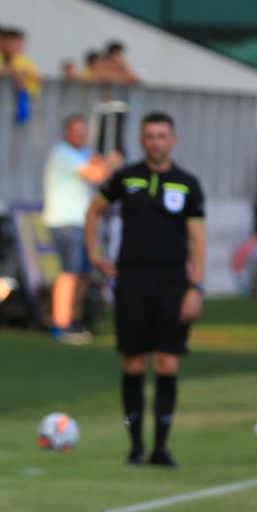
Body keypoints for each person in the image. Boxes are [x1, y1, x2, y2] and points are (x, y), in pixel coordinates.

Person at [85, 112, 206, 469]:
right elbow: (94, 212)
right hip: (132, 282)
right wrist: (95, 255)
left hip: (172, 284)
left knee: (167, 362)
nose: (156, 142)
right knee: (133, 362)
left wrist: (195, 287)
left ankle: (162, 447)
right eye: (150, 136)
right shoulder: (125, 178)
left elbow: (198, 239)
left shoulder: (187, 184)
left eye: (162, 136)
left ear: (174, 139)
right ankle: (134, 446)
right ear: (142, 140)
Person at [43, 114, 121, 343]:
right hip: (65, 222)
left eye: (82, 131)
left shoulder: (81, 153)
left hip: (83, 222)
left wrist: (105, 161)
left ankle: (75, 318)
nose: (79, 135)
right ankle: (61, 324)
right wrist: (111, 162)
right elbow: (97, 174)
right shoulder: (63, 154)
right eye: (75, 130)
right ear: (66, 132)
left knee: (85, 272)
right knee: (70, 272)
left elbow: (99, 167)